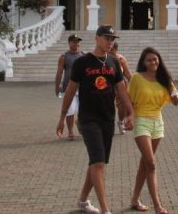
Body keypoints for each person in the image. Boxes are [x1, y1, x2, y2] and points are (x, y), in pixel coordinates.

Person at [57, 25, 134, 214]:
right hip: (88, 118)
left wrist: (131, 112)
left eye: (112, 39)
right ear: (97, 38)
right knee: (99, 163)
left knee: (97, 162)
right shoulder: (82, 62)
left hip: (107, 117)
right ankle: (106, 210)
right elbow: (71, 90)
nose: (110, 42)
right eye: (107, 38)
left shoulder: (114, 63)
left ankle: (83, 201)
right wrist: (62, 117)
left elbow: (121, 90)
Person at [127, 46, 178, 214]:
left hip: (158, 122)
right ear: (143, 62)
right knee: (151, 163)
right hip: (141, 121)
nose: (153, 62)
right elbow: (129, 101)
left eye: (155, 59)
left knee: (145, 164)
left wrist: (175, 97)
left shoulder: (164, 79)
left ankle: (135, 199)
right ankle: (157, 205)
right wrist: (130, 117)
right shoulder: (136, 78)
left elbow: (176, 102)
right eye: (149, 60)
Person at [55, 33, 84, 140]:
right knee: (70, 110)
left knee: (84, 110)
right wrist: (57, 87)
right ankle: (71, 132)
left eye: (78, 41)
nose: (76, 43)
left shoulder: (83, 55)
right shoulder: (64, 57)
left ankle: (80, 124)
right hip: (69, 88)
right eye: (74, 41)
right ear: (69, 43)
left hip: (82, 87)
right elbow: (59, 72)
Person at [111, 41, 133, 134]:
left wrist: (136, 84)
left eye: (113, 49)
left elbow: (128, 74)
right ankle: (107, 124)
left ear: (116, 49)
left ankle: (120, 122)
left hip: (120, 86)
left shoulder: (121, 59)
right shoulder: (102, 58)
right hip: (106, 85)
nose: (111, 51)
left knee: (123, 106)